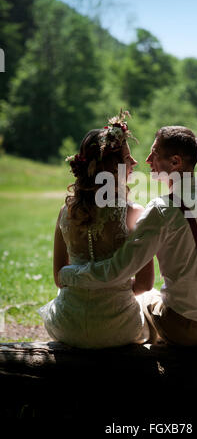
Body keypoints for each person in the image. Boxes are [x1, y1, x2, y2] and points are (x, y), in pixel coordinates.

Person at [59, 125, 197, 346]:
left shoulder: (161, 209)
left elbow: (118, 270)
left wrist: (69, 275)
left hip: (183, 330)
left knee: (146, 297)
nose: (146, 160)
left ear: (175, 162)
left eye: (154, 153)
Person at [38, 111, 154, 348]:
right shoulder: (133, 212)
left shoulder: (66, 212)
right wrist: (113, 288)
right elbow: (144, 284)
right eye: (127, 159)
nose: (134, 163)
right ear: (112, 168)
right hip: (118, 328)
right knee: (152, 301)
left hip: (68, 325)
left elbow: (60, 280)